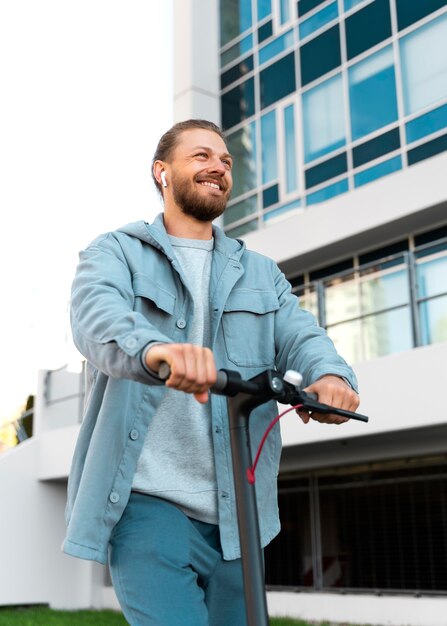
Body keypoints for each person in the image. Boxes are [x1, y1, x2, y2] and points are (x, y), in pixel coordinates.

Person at [63, 119, 360, 626]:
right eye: (201, 156)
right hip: (148, 505)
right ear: (162, 172)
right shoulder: (116, 251)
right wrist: (155, 350)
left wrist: (331, 375)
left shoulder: (260, 272)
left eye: (225, 161)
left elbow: (303, 335)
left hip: (240, 513)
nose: (218, 168)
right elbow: (96, 317)